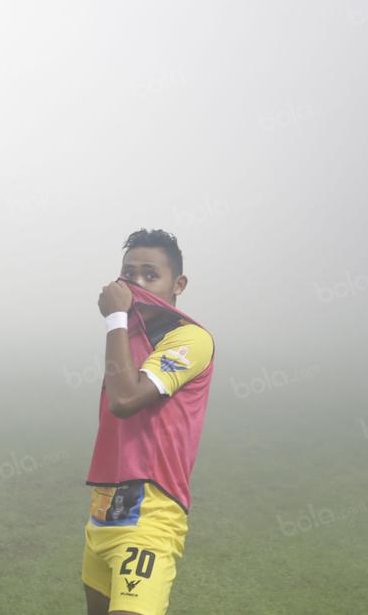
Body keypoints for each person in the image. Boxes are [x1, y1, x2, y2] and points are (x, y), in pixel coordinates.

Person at [83, 229, 216, 615]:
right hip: (104, 507)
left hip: (152, 513)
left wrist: (115, 320)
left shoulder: (191, 338)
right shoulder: (130, 334)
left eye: (149, 274)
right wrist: (120, 325)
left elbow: (125, 400)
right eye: (129, 274)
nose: (136, 283)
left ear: (179, 284)